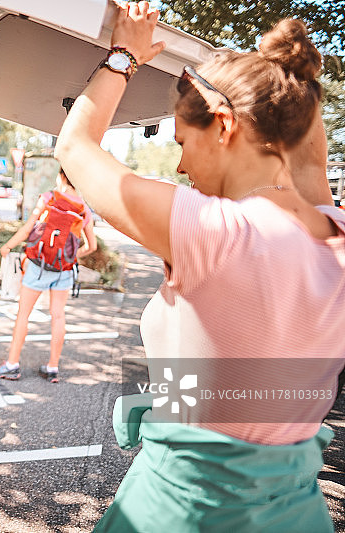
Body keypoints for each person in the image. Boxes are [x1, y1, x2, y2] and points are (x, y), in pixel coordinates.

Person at [54, 3, 345, 531]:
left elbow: (74, 147)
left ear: (224, 125)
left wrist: (125, 54)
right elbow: (310, 163)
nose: (182, 164)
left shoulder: (215, 233)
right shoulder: (336, 236)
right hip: (296, 513)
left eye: (183, 143)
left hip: (183, 512)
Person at [0, 169, 97, 383]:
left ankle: (12, 364)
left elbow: (29, 229)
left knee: (23, 314)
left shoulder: (49, 198)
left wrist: (7, 247)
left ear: (62, 176)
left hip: (38, 266)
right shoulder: (84, 210)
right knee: (58, 315)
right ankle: (52, 368)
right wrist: (72, 256)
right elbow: (91, 246)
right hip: (64, 269)